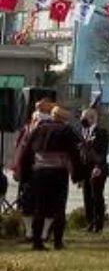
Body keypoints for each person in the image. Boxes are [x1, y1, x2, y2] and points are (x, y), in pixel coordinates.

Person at [13, 105, 82, 251]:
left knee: (39, 207)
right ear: (64, 119)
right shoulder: (66, 130)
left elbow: (26, 153)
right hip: (58, 173)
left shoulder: (38, 129)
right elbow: (74, 154)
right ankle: (57, 242)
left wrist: (24, 174)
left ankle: (37, 242)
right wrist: (78, 175)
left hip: (39, 173)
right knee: (59, 208)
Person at [11, 99, 55, 244]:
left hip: (45, 170)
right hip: (28, 171)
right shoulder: (26, 128)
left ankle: (43, 234)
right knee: (26, 203)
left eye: (41, 110)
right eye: (36, 110)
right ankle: (29, 232)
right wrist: (17, 167)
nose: (37, 113)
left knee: (46, 204)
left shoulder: (51, 128)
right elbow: (20, 149)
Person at [79, 108, 109, 233]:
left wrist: (98, 166)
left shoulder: (101, 132)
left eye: (85, 117)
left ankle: (99, 224)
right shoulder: (82, 132)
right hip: (85, 169)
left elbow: (102, 152)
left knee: (96, 196)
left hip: (98, 168)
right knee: (86, 196)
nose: (82, 120)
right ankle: (90, 222)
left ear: (93, 118)